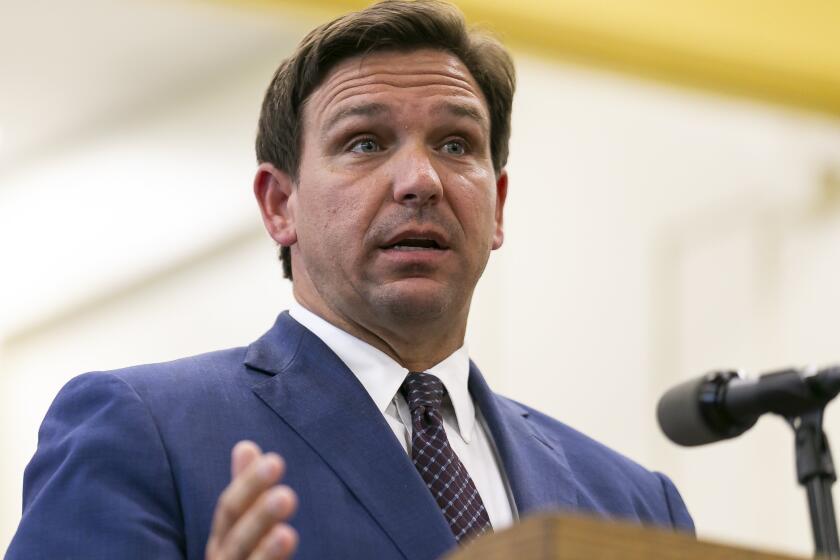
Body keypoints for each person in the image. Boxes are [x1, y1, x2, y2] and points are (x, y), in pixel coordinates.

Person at [7, 1, 693, 559]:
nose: (421, 181)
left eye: (456, 145)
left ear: (499, 207)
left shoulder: (631, 505)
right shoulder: (140, 430)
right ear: (281, 205)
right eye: (365, 143)